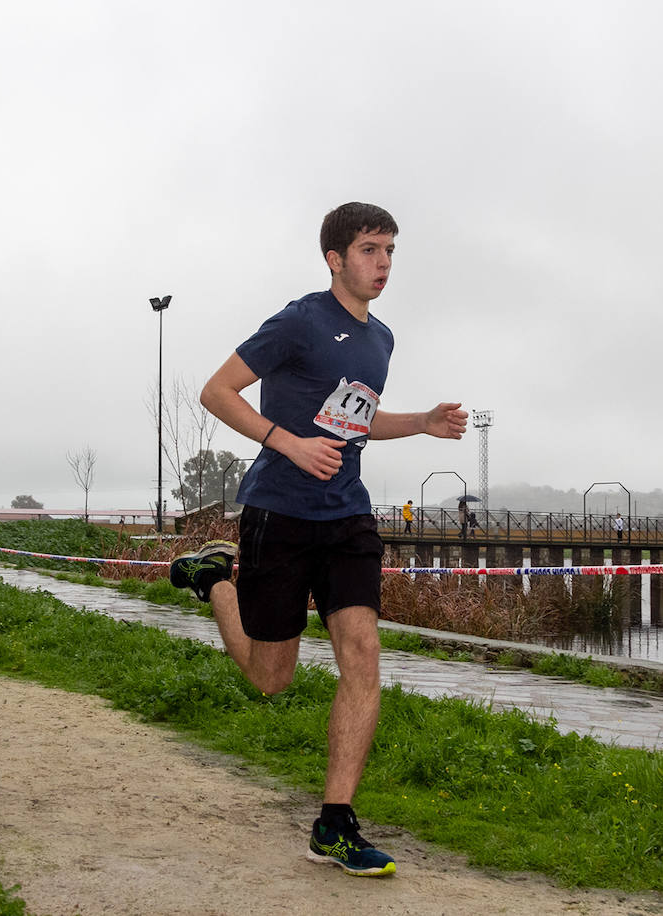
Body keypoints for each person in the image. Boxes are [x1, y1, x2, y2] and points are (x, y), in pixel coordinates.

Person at [168, 202, 466, 878]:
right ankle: (213, 579)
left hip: (348, 517)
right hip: (280, 512)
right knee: (271, 679)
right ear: (335, 258)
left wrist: (421, 421)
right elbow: (219, 392)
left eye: (390, 250)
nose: (383, 263)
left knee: (361, 653)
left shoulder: (381, 339)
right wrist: (289, 443)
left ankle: (336, 823)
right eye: (369, 250)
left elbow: (355, 420)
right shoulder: (300, 320)